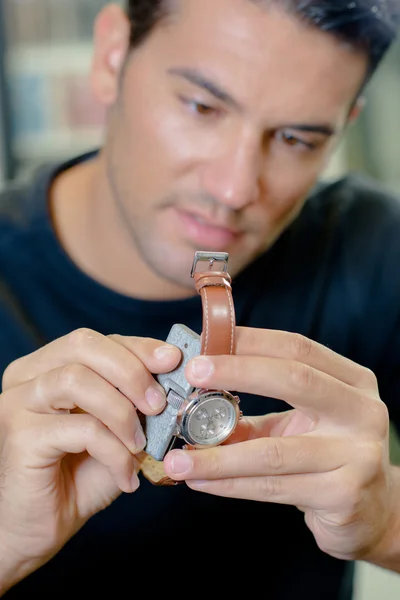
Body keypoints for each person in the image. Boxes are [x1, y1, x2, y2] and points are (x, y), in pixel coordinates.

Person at [0, 0, 399, 597]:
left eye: (295, 138)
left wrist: (386, 521)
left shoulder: (374, 248)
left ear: (344, 126)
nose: (235, 188)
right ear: (112, 54)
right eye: (202, 105)